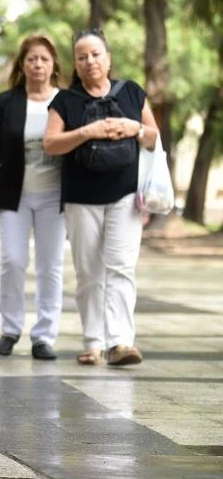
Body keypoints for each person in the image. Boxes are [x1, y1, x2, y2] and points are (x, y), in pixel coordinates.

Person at [44, 29, 158, 367]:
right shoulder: (65, 101)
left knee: (121, 267)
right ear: (75, 65)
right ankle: (93, 342)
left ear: (108, 58)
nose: (90, 61)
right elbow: (50, 144)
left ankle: (121, 342)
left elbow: (153, 137)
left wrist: (133, 128)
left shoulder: (132, 93)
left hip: (125, 194)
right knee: (89, 272)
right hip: (81, 197)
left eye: (96, 54)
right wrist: (86, 133)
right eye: (82, 57)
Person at [0, 34, 67, 361]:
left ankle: (44, 336)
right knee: (13, 260)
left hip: (55, 196)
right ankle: (10, 329)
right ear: (22, 66)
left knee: (51, 266)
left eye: (44, 59)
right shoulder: (6, 102)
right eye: (31, 59)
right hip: (14, 195)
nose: (38, 64)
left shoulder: (67, 101)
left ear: (54, 65)